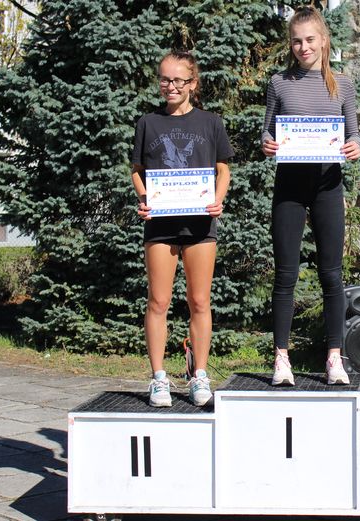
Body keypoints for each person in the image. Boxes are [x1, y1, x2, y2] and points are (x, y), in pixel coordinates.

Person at [261, 6, 360, 386]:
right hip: (289, 184)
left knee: (331, 274)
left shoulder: (342, 85)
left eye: (309, 40)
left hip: (327, 186)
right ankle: (281, 358)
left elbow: (354, 134)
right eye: (296, 41)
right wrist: (267, 143)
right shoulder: (279, 83)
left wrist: (355, 146)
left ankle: (334, 357)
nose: (303, 47)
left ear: (323, 40)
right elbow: (267, 130)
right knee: (285, 274)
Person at [131, 51, 233, 407]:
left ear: (193, 83)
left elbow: (223, 170)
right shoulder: (147, 123)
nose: (170, 86)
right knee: (158, 300)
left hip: (200, 223)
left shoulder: (211, 123)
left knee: (199, 300)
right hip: (160, 224)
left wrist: (217, 200)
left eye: (177, 80)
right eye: (164, 79)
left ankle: (199, 374)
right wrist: (145, 198)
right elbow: (137, 171)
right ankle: (159, 378)